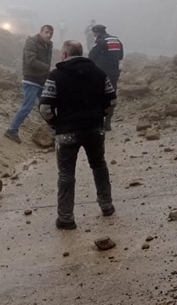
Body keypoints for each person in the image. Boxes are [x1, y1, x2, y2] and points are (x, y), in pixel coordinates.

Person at [39, 40, 116, 230]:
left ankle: (66, 218)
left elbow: (45, 108)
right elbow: (112, 101)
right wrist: (101, 116)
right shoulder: (99, 73)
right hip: (95, 129)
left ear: (64, 55)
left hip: (67, 132)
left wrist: (56, 124)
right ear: (82, 53)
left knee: (66, 174)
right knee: (99, 166)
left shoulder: (55, 76)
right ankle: (106, 206)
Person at [4, 24, 53, 144]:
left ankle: (54, 131)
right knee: (27, 107)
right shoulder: (32, 42)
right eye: (46, 32)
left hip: (42, 80)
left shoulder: (48, 45)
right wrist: (48, 68)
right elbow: (31, 61)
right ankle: (12, 130)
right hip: (31, 79)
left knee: (46, 106)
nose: (49, 35)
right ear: (41, 32)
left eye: (51, 33)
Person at [88, 24, 124, 131]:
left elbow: (91, 56)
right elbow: (121, 56)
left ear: (97, 33)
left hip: (101, 73)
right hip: (114, 73)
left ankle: (98, 121)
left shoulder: (100, 41)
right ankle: (108, 122)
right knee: (111, 96)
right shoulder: (116, 40)